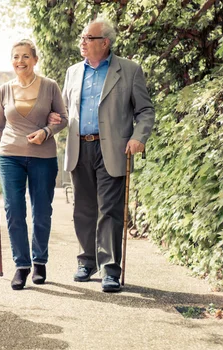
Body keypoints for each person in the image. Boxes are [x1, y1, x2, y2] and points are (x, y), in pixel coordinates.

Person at [62, 18, 154, 292]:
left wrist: (139, 137)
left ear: (105, 42)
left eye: (88, 38)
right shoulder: (73, 72)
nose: (82, 41)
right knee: (83, 209)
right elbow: (68, 109)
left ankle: (110, 269)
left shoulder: (129, 70)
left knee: (110, 211)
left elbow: (145, 110)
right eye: (82, 37)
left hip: (113, 148)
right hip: (80, 147)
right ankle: (86, 261)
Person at [0, 39, 68, 290]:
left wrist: (46, 131)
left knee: (42, 211)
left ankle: (40, 261)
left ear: (35, 59)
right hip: (9, 155)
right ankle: (22, 266)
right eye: (15, 57)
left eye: (25, 56)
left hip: (42, 156)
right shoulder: (4, 90)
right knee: (14, 211)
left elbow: (63, 119)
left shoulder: (49, 86)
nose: (20, 61)